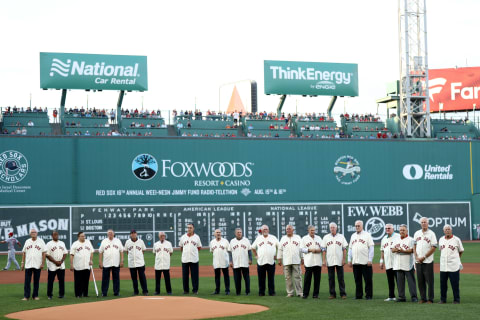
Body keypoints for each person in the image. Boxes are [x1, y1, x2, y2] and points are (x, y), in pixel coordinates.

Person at [413, 217, 437, 304]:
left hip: (428, 261)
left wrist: (424, 257)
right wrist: (416, 255)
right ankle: (423, 298)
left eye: (425, 222)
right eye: (422, 222)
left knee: (429, 281)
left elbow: (434, 247)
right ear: (420, 223)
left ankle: (430, 299)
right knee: (420, 280)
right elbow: (414, 245)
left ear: (428, 223)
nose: (423, 223)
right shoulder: (417, 233)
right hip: (418, 261)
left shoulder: (432, 234)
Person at [391, 224, 418, 303]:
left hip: (408, 264)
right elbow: (392, 249)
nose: (402, 231)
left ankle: (414, 297)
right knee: (400, 282)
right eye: (400, 230)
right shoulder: (396, 239)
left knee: (411, 282)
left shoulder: (411, 240)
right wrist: (396, 249)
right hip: (398, 264)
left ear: (407, 231)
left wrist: (403, 251)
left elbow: (412, 250)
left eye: (403, 230)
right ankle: (401, 297)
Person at [348, 220, 374, 300]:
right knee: (357, 280)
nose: (357, 227)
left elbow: (371, 248)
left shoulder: (367, 235)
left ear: (362, 226)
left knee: (368, 280)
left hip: (365, 262)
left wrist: (370, 259)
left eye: (358, 226)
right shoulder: (353, 236)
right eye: (356, 226)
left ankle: (368, 295)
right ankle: (358, 295)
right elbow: (350, 248)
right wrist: (349, 259)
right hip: (356, 262)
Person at [438, 225, 464, 304]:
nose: (447, 231)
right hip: (443, 266)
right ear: (443, 231)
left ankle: (456, 299)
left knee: (455, 284)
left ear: (451, 230)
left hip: (454, 266)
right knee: (443, 284)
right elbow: (441, 250)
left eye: (449, 229)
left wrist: (457, 259)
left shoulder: (456, 239)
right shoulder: (441, 239)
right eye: (446, 229)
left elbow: (461, 250)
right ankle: (443, 299)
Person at [322, 222, 348, 299]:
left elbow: (344, 249)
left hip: (339, 260)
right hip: (330, 260)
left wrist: (344, 259)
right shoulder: (326, 237)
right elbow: (323, 249)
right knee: (331, 278)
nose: (332, 229)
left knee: (341, 278)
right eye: (331, 227)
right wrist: (324, 260)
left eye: (333, 227)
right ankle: (332, 294)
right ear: (329, 228)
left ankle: (343, 294)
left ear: (336, 228)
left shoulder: (341, 237)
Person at [252, 225, 279, 296]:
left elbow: (279, 247)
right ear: (261, 231)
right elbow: (253, 247)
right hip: (261, 261)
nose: (265, 230)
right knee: (261, 279)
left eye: (266, 229)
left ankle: (272, 292)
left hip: (271, 261)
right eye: (263, 229)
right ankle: (261, 292)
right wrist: (256, 255)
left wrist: (277, 255)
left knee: (271, 278)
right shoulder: (258, 238)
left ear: (268, 230)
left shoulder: (273, 238)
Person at [21, 229, 46, 300]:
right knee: (27, 281)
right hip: (28, 264)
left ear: (37, 233)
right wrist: (22, 263)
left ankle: (35, 296)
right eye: (32, 232)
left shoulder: (41, 241)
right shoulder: (27, 241)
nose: (33, 233)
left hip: (37, 264)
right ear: (30, 234)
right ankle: (26, 296)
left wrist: (43, 263)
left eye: (34, 232)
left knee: (36, 281)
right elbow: (24, 252)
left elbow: (44, 253)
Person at [278, 225, 303, 297]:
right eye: (287, 229)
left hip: (296, 260)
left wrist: (302, 257)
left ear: (293, 230)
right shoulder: (283, 238)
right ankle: (290, 292)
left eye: (289, 229)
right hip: (286, 261)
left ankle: (300, 292)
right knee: (288, 278)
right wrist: (279, 258)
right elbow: (280, 249)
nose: (288, 230)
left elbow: (301, 248)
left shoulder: (298, 237)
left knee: (297, 277)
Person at [99, 229, 124, 297]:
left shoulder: (118, 241)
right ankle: (104, 292)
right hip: (106, 263)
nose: (110, 234)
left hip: (116, 263)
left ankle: (116, 292)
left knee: (116, 278)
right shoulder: (104, 241)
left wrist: (122, 260)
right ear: (107, 234)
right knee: (105, 279)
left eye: (111, 233)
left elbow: (121, 251)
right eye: (109, 233)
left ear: (113, 234)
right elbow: (100, 252)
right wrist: (100, 262)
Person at [179, 223, 202, 294]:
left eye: (190, 228)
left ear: (193, 228)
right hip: (185, 259)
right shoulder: (183, 237)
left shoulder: (197, 237)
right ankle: (186, 290)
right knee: (185, 276)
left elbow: (199, 247)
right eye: (188, 227)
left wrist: (193, 252)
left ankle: (195, 290)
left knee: (195, 276)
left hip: (194, 259)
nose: (189, 229)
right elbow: (181, 247)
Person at [301, 225, 322, 299]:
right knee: (307, 279)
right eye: (311, 230)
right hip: (309, 262)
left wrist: (320, 250)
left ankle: (315, 294)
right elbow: (302, 249)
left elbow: (322, 247)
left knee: (317, 279)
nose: (313, 232)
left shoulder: (319, 238)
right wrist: (310, 250)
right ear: (308, 231)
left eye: (314, 230)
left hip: (317, 261)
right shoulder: (304, 238)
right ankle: (305, 294)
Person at [380, 224, 400, 301]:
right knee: (390, 280)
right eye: (386, 228)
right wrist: (381, 261)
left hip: (397, 262)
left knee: (399, 281)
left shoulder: (398, 236)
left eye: (389, 228)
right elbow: (382, 250)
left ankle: (401, 296)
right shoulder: (384, 238)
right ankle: (391, 296)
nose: (387, 229)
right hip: (388, 262)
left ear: (393, 229)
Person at [70, 231, 93, 298]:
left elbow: (91, 252)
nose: (83, 237)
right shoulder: (75, 244)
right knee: (78, 281)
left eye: (84, 236)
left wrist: (91, 260)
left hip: (87, 265)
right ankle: (78, 294)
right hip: (78, 266)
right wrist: (71, 264)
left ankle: (85, 294)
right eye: (82, 236)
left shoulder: (88, 242)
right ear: (78, 237)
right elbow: (71, 255)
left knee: (86, 281)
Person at [229, 228, 252, 296]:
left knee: (246, 278)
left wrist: (250, 259)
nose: (239, 233)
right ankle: (238, 292)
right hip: (236, 263)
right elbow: (230, 252)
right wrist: (230, 261)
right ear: (235, 233)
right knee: (237, 279)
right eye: (238, 232)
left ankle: (247, 292)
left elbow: (249, 251)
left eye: (240, 232)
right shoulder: (232, 241)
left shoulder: (246, 240)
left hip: (245, 262)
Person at [124, 230, 148, 296]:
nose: (133, 234)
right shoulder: (127, 242)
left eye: (134, 233)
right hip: (131, 263)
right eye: (132, 233)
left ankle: (145, 291)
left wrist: (139, 257)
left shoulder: (141, 241)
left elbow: (143, 250)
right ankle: (135, 291)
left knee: (142, 278)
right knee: (134, 279)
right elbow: (126, 251)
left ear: (136, 234)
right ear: (130, 235)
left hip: (140, 263)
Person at [45, 231, 67, 299]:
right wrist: (55, 262)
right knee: (50, 281)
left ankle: (61, 294)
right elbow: (47, 255)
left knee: (61, 280)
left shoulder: (62, 243)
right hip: (52, 265)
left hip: (61, 265)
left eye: (57, 234)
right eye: (55, 235)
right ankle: (49, 295)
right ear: (52, 236)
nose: (56, 236)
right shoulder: (49, 244)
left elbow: (65, 253)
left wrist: (61, 261)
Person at [209, 229, 230, 295]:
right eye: (217, 232)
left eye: (219, 232)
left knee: (226, 276)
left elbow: (229, 250)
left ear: (221, 233)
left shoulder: (225, 241)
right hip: (216, 262)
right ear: (214, 234)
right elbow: (212, 251)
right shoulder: (212, 242)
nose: (218, 233)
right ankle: (217, 290)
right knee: (217, 277)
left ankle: (227, 290)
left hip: (224, 261)